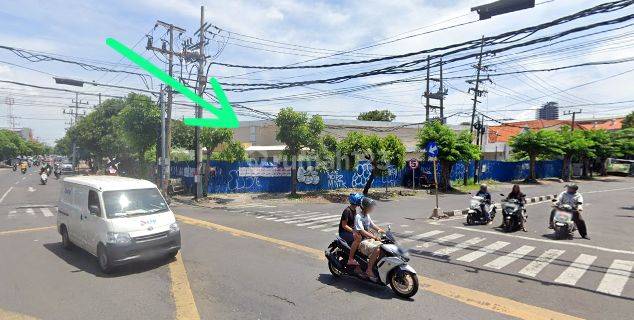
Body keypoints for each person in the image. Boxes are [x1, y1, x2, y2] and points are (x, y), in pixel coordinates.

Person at [354, 197, 385, 281]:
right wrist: (374, 237)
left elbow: (372, 224)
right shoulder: (358, 216)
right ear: (365, 207)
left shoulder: (367, 215)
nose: (372, 208)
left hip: (369, 239)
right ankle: (369, 270)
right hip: (361, 241)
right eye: (370, 206)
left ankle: (375, 266)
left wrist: (380, 230)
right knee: (378, 249)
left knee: (384, 247)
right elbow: (362, 231)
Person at [341, 193, 362, 266]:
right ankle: (350, 259)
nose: (360, 201)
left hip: (350, 231)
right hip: (344, 232)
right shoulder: (347, 211)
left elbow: (355, 223)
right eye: (359, 200)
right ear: (355, 201)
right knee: (358, 239)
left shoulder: (354, 210)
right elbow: (344, 225)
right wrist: (354, 231)